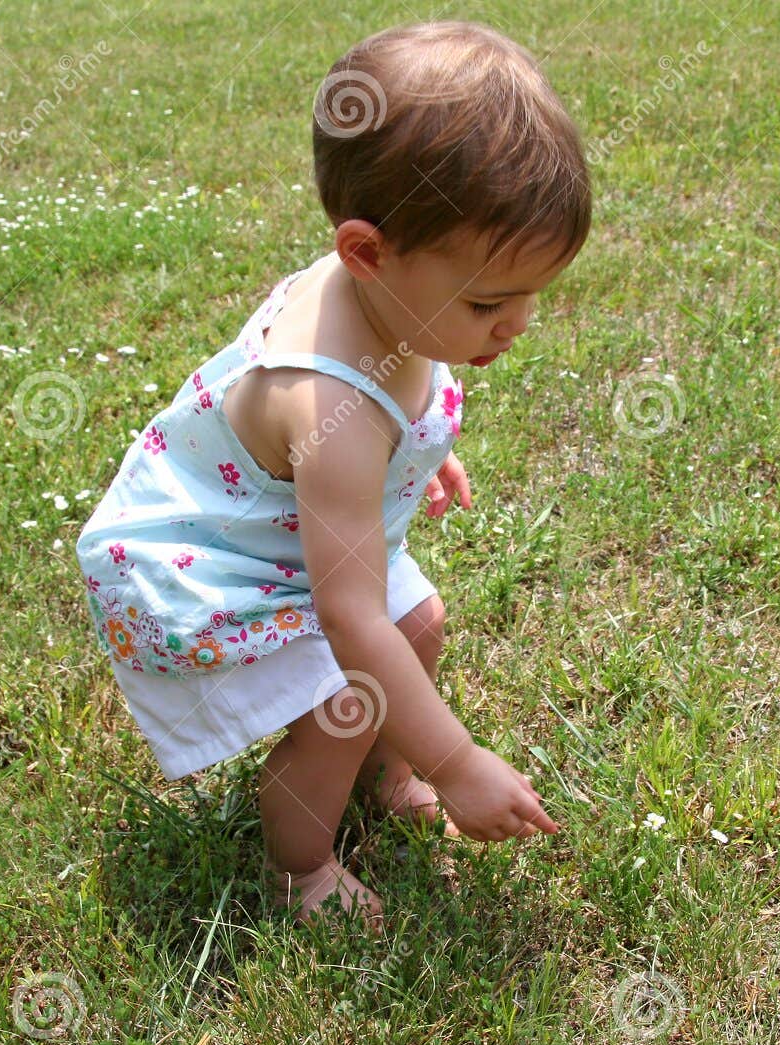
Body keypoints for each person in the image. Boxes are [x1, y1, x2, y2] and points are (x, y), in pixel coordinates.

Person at [74, 20, 592, 923]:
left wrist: (422, 456)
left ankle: (385, 775)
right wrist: (460, 761)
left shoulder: (384, 291)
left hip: (295, 524)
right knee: (345, 698)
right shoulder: (326, 409)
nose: (518, 325)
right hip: (220, 566)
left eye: (530, 296)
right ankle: (299, 865)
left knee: (420, 623)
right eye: (487, 303)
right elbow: (347, 608)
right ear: (366, 252)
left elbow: (388, 412)